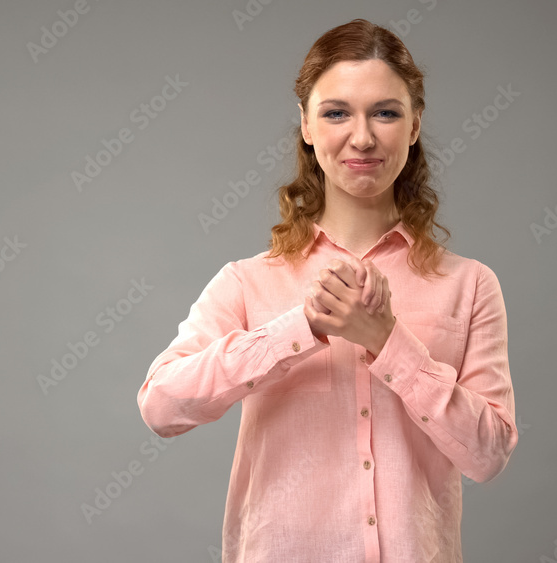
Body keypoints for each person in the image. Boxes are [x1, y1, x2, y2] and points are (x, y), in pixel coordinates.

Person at [137, 18, 518, 563]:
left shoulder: (470, 285)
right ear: (307, 126)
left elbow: (489, 454)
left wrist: (390, 342)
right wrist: (300, 329)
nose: (361, 137)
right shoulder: (248, 281)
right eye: (336, 112)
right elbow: (161, 407)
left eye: (385, 112)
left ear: (413, 126)